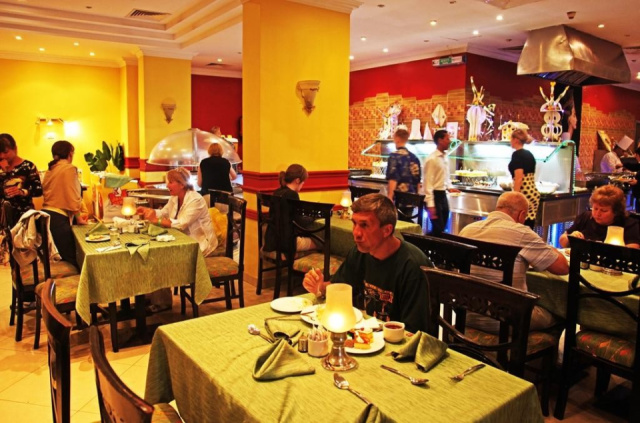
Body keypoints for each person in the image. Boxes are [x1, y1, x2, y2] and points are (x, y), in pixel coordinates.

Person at [302, 194, 432, 333]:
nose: (356, 233)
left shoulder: (412, 267)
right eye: (354, 223)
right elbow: (339, 288)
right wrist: (320, 287)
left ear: (387, 230)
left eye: (364, 225)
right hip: (369, 333)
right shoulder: (360, 253)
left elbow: (415, 332)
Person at [459, 191, 569, 332]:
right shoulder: (522, 233)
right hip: (506, 320)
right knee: (560, 312)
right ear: (521, 214)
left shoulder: (467, 230)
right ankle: (532, 346)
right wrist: (547, 247)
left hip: (466, 314)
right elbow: (562, 268)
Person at [137, 167, 218, 257]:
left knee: (165, 255)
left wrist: (156, 220)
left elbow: (181, 224)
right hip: (182, 239)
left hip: (200, 244)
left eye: (170, 182)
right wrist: (149, 211)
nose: (167, 186)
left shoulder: (195, 200)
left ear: (182, 184)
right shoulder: (174, 197)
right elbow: (164, 212)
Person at [42, 140, 88, 268]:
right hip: (58, 218)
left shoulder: (50, 170)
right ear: (70, 153)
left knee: (65, 256)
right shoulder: (69, 168)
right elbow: (72, 195)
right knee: (75, 259)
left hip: (47, 216)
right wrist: (78, 217)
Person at [559, 185, 640, 248]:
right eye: (595, 208)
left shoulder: (628, 224)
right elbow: (562, 241)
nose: (597, 213)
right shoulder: (585, 217)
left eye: (603, 210)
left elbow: (633, 250)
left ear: (616, 211)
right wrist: (570, 238)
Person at [263, 164, 316, 256]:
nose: (303, 185)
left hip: (272, 240)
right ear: (297, 180)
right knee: (320, 243)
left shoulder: (277, 192)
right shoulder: (292, 195)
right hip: (287, 243)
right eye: (303, 182)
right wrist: (314, 217)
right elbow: (299, 222)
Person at [423, 129, 459, 236]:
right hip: (435, 196)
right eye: (447, 139)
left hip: (443, 195)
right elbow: (428, 183)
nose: (450, 141)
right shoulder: (432, 159)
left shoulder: (445, 157)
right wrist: (431, 205)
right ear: (440, 140)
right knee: (438, 229)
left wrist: (450, 187)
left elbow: (445, 176)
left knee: (442, 228)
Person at [0, 133, 43, 219]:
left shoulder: (28, 166)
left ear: (15, 149)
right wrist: (5, 172)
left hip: (24, 215)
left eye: (5, 152)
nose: (2, 156)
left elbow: (38, 190)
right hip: (3, 217)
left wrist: (22, 192)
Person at [509, 129, 539, 229]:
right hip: (532, 192)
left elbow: (519, 177)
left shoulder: (517, 155)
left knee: (518, 226)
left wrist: (515, 196)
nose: (510, 141)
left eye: (511, 138)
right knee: (529, 225)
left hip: (524, 192)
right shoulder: (529, 154)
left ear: (516, 140)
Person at [385, 127, 421, 201]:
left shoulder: (394, 156)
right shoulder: (414, 157)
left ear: (397, 139)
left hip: (399, 198)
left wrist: (390, 197)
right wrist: (417, 198)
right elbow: (417, 181)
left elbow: (393, 179)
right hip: (412, 198)